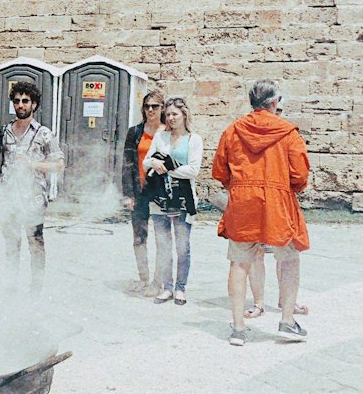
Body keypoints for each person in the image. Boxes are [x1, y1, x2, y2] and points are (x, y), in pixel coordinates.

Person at [212, 79, 310, 347]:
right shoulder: (289, 133)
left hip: (243, 202)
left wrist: (240, 187)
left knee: (239, 262)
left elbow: (220, 170)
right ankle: (287, 321)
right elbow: (300, 175)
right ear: (275, 102)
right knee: (289, 258)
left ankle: (238, 328)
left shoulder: (233, 131)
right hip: (277, 203)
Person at [0, 79, 64, 294]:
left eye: (25, 101)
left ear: (34, 104)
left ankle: (36, 289)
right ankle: (11, 286)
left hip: (33, 200)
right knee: (11, 245)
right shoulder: (2, 133)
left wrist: (34, 165)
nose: (21, 105)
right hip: (9, 200)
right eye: (17, 101)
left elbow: (59, 165)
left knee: (35, 244)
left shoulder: (44, 133)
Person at [143, 96, 203, 305]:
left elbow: (193, 170)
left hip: (183, 199)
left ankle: (180, 288)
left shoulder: (194, 139)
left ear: (184, 114)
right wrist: (154, 163)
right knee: (163, 244)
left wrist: (168, 168)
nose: (171, 118)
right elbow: (145, 163)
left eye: (174, 114)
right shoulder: (161, 137)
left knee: (182, 245)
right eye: (168, 114)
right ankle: (166, 286)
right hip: (159, 198)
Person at [121, 91, 164, 294]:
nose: (150, 109)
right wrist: (127, 194)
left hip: (161, 193)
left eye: (155, 106)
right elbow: (127, 164)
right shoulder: (135, 132)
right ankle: (144, 278)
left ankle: (159, 281)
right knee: (139, 236)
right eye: (147, 105)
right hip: (139, 191)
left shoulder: (168, 132)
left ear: (162, 108)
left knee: (162, 237)